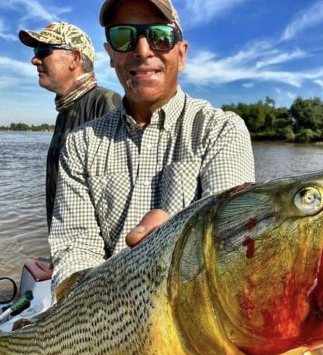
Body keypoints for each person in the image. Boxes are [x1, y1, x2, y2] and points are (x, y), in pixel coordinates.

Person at [49, 0, 255, 294]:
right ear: (110, 54)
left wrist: (175, 247)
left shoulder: (220, 130)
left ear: (181, 54)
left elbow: (231, 244)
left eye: (160, 36)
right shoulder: (81, 143)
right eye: (124, 36)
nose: (143, 50)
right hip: (103, 315)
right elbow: (75, 250)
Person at [19, 22, 122, 229]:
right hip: (66, 251)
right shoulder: (66, 110)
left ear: (75, 58)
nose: (34, 60)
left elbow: (117, 201)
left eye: (43, 51)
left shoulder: (106, 104)